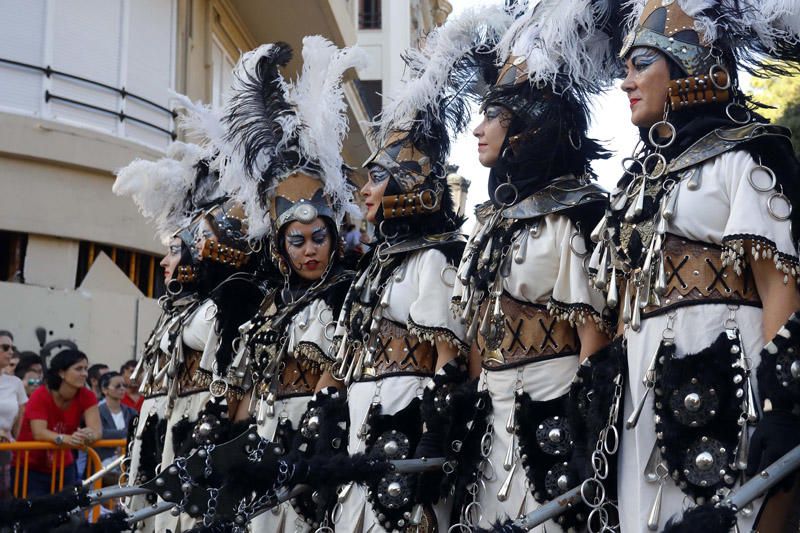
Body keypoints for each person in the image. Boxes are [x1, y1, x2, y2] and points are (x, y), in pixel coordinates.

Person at [589, 0, 800, 530]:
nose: (625, 81)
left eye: (639, 64)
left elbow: (781, 286)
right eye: (624, 68)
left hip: (730, 394)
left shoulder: (741, 157)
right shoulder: (634, 187)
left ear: (683, 67)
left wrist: (783, 409)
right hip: (642, 406)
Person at [325, 10, 512, 531]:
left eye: (379, 177)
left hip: (405, 434)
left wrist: (432, 447)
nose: (365, 189)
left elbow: (448, 367)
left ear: (410, 184)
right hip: (365, 429)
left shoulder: (433, 260)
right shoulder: (374, 268)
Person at [200, 37, 363, 531]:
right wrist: (226, 439)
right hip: (263, 448)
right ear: (279, 246)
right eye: (298, 240)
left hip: (314, 452)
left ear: (335, 239)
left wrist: (305, 450)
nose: (310, 249)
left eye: (319, 237)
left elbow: (333, 385)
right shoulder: (268, 304)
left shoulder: (347, 295)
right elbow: (248, 386)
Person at [16, 349, 101, 496]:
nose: (85, 374)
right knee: (34, 516)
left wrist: (87, 435)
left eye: (86, 369)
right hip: (30, 467)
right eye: (78, 369)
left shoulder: (87, 395)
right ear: (61, 373)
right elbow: (39, 432)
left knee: (68, 514)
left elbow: (97, 430)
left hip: (64, 466)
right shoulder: (41, 394)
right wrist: (67, 438)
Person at [0, 332, 27, 498]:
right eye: (5, 347)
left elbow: (20, 418)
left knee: (4, 497)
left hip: (5, 450)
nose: (10, 352)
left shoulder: (15, 383)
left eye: (12, 347)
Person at [96, 372, 136, 465]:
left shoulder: (131, 411)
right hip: (104, 461)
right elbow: (100, 432)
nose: (122, 389)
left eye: (124, 385)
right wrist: (126, 432)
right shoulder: (97, 411)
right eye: (118, 386)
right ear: (105, 390)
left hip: (127, 459)